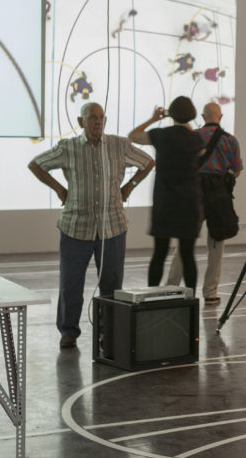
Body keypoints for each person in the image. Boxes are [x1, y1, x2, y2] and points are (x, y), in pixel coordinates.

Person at [28, 102, 154, 348]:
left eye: (101, 117)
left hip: (113, 227)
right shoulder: (68, 148)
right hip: (76, 227)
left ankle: (108, 332)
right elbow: (36, 164)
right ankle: (68, 332)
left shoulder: (119, 146)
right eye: (92, 117)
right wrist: (58, 188)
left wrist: (130, 186)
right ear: (80, 121)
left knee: (111, 284)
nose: (98, 121)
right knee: (70, 283)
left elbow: (148, 162)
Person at [166, 102, 243, 305]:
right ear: (221, 116)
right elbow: (237, 168)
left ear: (202, 115)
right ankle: (210, 292)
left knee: (185, 242)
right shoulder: (230, 140)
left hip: (194, 193)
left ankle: (171, 287)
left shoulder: (192, 138)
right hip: (219, 195)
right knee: (217, 243)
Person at [129, 96, 205, 291]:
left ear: (171, 113)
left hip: (165, 203)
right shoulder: (197, 139)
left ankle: (151, 298)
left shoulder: (161, 135)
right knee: (188, 255)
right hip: (189, 204)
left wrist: (154, 119)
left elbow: (133, 135)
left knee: (159, 254)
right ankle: (191, 299)